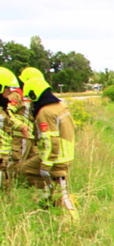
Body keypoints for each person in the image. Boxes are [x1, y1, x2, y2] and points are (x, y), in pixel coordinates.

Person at [19, 76, 76, 216]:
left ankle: (73, 221)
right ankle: (47, 200)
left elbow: (51, 141)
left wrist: (45, 165)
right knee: (27, 169)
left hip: (56, 158)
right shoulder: (61, 106)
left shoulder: (45, 112)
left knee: (62, 194)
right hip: (64, 154)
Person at [0, 68, 30, 190]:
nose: (9, 91)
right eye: (7, 88)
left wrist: (22, 127)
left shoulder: (3, 106)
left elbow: (9, 119)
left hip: (3, 153)